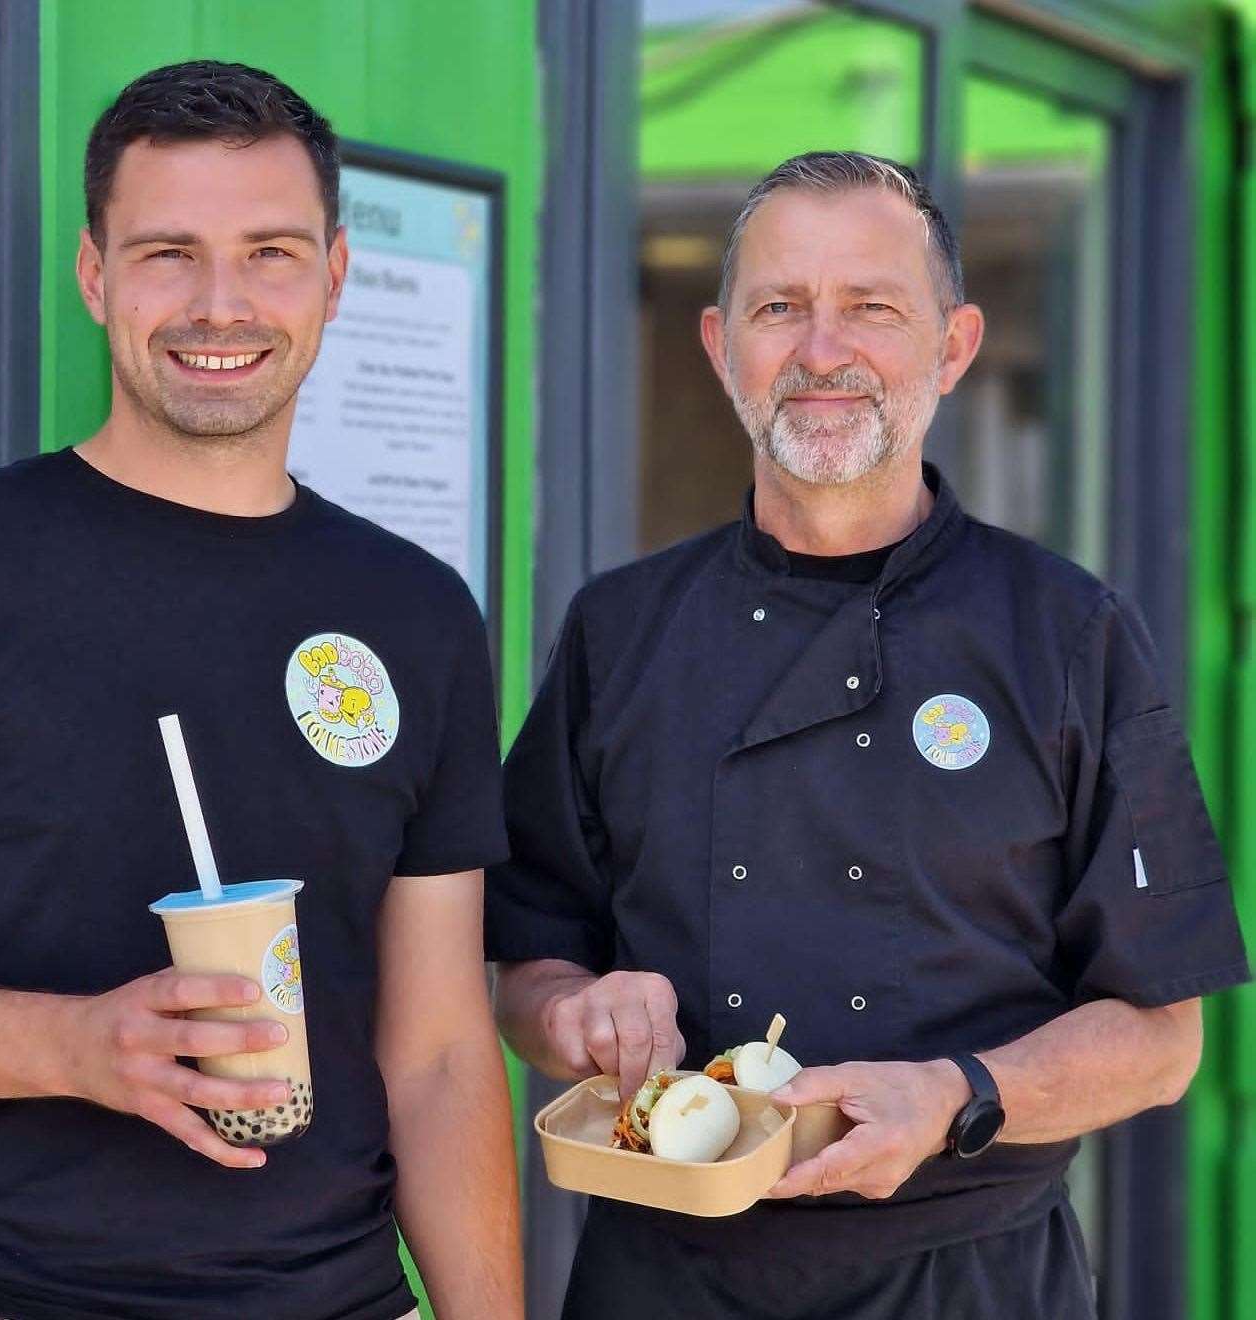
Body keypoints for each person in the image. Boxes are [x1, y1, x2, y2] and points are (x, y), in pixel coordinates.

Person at [0, 61, 521, 1320]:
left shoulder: (416, 612)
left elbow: (438, 1052)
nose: (221, 303)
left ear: (334, 277)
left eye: (271, 251)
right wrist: (73, 1047)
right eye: (168, 252)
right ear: (94, 274)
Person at [487, 151, 1248, 1319]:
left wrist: (956, 1094)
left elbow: (1160, 1037)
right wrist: (568, 1014)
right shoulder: (621, 629)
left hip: (970, 1279)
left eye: (871, 309)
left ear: (952, 345)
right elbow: (527, 967)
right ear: (718, 343)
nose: (822, 351)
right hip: (668, 1277)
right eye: (780, 307)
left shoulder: (1065, 632)